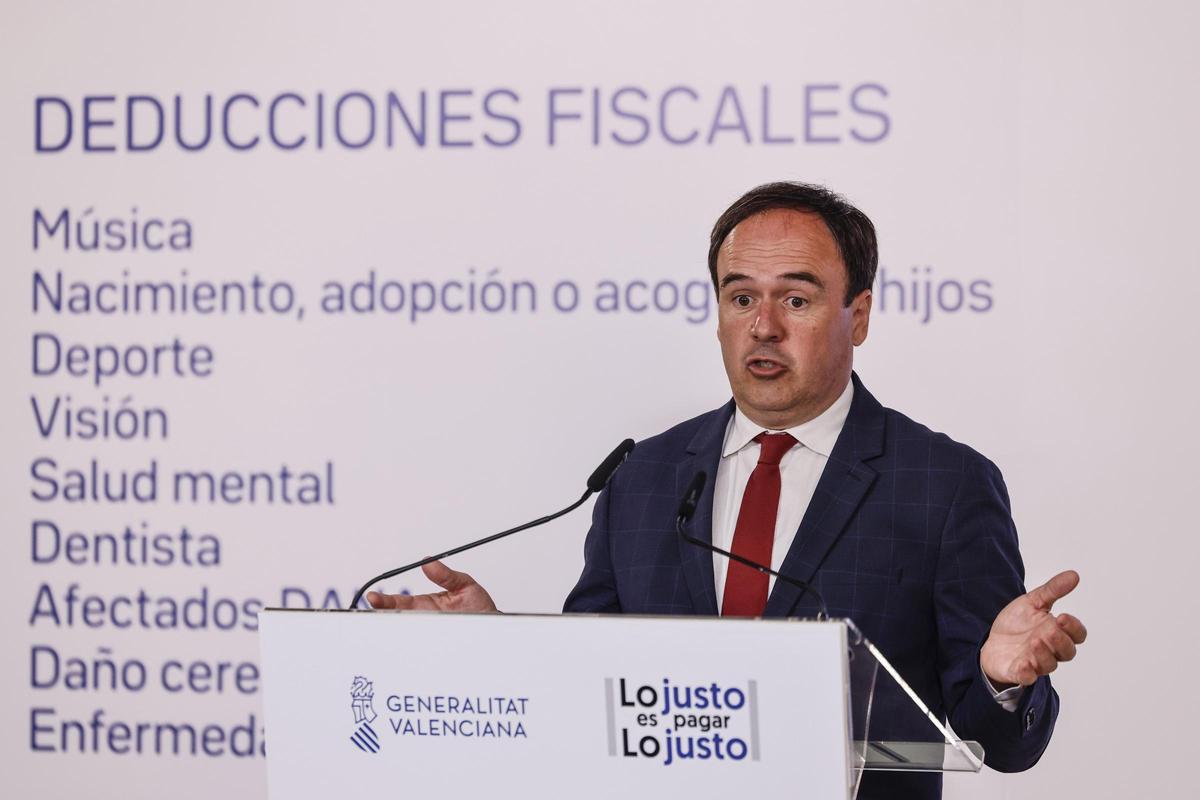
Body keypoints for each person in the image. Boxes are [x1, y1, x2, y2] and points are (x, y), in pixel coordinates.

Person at [368, 182, 1087, 799]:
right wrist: (490, 650)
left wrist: (1001, 681)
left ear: (859, 315)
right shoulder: (643, 479)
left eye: (796, 300)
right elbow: (587, 694)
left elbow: (1001, 744)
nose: (763, 327)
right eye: (741, 297)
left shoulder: (944, 484)